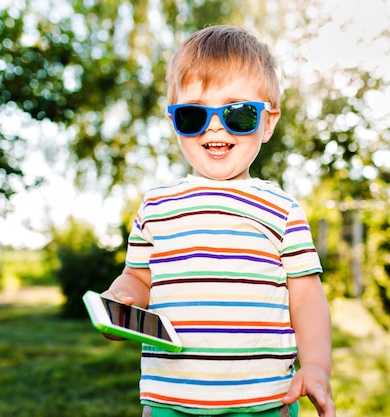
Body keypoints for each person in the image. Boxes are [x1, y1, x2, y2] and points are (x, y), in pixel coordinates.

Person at [103, 25, 335, 417]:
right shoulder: (156, 207)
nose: (214, 126)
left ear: (267, 122)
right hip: (171, 401)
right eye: (194, 114)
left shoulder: (281, 209)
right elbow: (139, 278)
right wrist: (122, 297)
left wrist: (315, 365)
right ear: (175, 119)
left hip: (263, 401)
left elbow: (307, 296)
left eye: (237, 113)